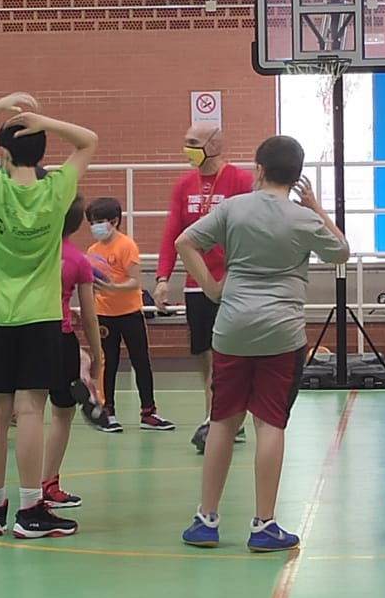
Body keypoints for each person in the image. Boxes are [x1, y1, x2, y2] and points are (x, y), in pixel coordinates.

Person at [177, 135, 348, 553]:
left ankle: (206, 518)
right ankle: (263, 524)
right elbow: (341, 252)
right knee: (270, 423)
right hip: (281, 332)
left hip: (232, 327)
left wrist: (214, 289)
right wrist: (318, 209)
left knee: (222, 420)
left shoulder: (233, 208)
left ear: (259, 169)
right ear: (297, 178)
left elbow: (186, 242)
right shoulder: (302, 219)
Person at [0, 92, 99, 541]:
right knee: (31, 410)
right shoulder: (57, 191)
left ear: (1, 153)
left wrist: (0, 106)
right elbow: (88, 141)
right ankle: (31, 510)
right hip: (39, 316)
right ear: (42, 151)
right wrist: (43, 118)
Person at [151, 124, 255, 453]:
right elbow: (172, 234)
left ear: (214, 144)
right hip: (197, 284)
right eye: (185, 142)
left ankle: (224, 418)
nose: (187, 149)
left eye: (193, 143)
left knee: (229, 358)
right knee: (205, 357)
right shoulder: (184, 185)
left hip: (231, 283)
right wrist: (163, 278)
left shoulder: (240, 181)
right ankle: (216, 416)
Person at [39, 197, 106, 510]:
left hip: (22, 332)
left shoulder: (27, 252)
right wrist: (98, 353)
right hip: (59, 334)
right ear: (79, 223)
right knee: (60, 415)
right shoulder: (78, 260)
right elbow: (91, 317)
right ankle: (48, 485)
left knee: (23, 410)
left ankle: (8, 496)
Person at [86, 195, 167, 429]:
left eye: (100, 221)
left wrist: (111, 287)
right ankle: (107, 410)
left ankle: (148, 412)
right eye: (92, 222)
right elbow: (90, 285)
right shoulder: (92, 250)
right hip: (104, 314)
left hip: (130, 313)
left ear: (114, 221)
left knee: (140, 361)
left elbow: (135, 282)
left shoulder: (126, 245)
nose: (95, 227)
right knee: (107, 362)